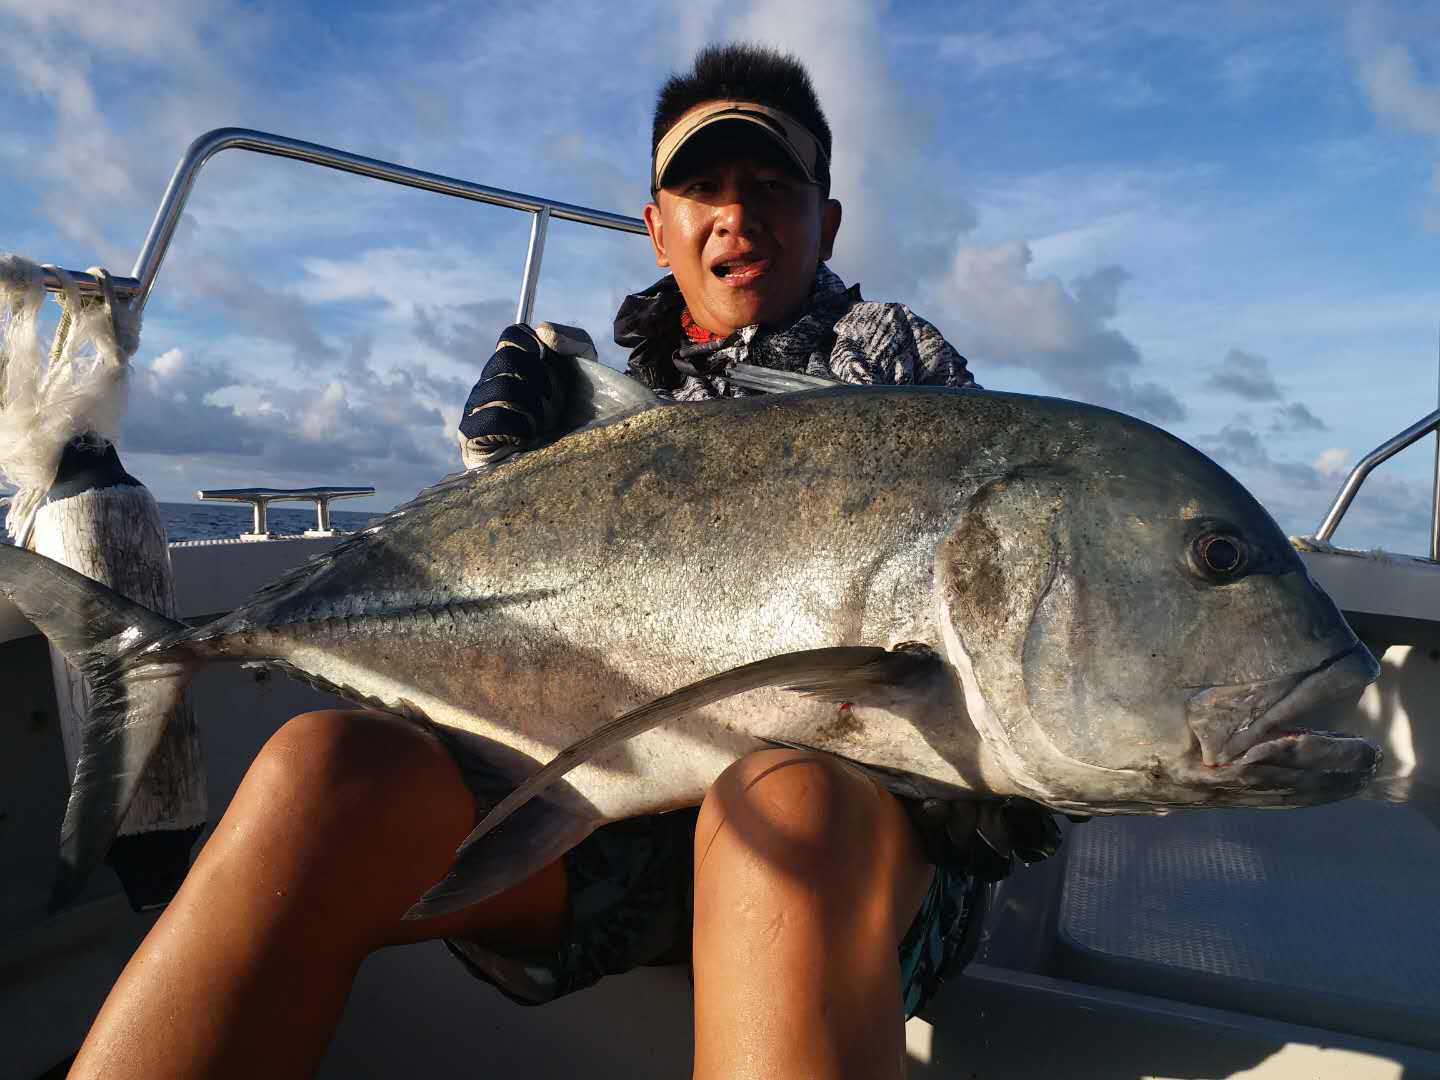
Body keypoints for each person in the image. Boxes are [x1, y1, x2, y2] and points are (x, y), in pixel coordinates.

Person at [69, 44, 1061, 1080]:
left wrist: (990, 775)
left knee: (782, 802)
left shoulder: (902, 375)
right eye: (703, 189)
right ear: (657, 227)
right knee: (318, 776)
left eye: (774, 186)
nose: (738, 214)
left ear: (829, 219)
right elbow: (534, 623)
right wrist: (500, 473)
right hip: (621, 820)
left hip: (856, 842)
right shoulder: (602, 420)